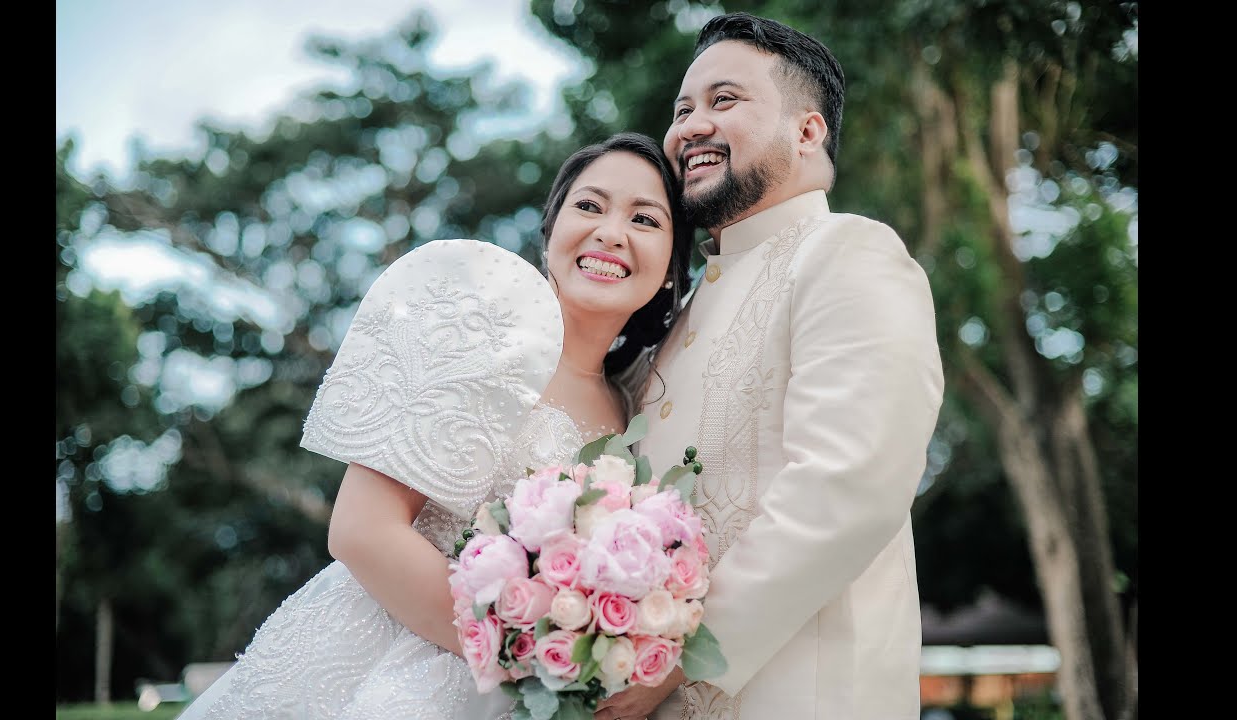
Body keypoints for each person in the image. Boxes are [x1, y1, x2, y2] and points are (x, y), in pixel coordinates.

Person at [178, 131, 695, 720]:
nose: (611, 232)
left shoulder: (632, 405)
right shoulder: (483, 335)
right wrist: (538, 663)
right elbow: (360, 530)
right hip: (380, 663)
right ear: (550, 231)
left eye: (645, 219)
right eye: (589, 205)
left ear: (672, 270)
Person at [594, 13, 945, 720]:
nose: (689, 126)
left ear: (807, 131)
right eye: (682, 109)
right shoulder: (676, 310)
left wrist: (674, 661)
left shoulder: (848, 251)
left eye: (723, 101)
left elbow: (846, 486)